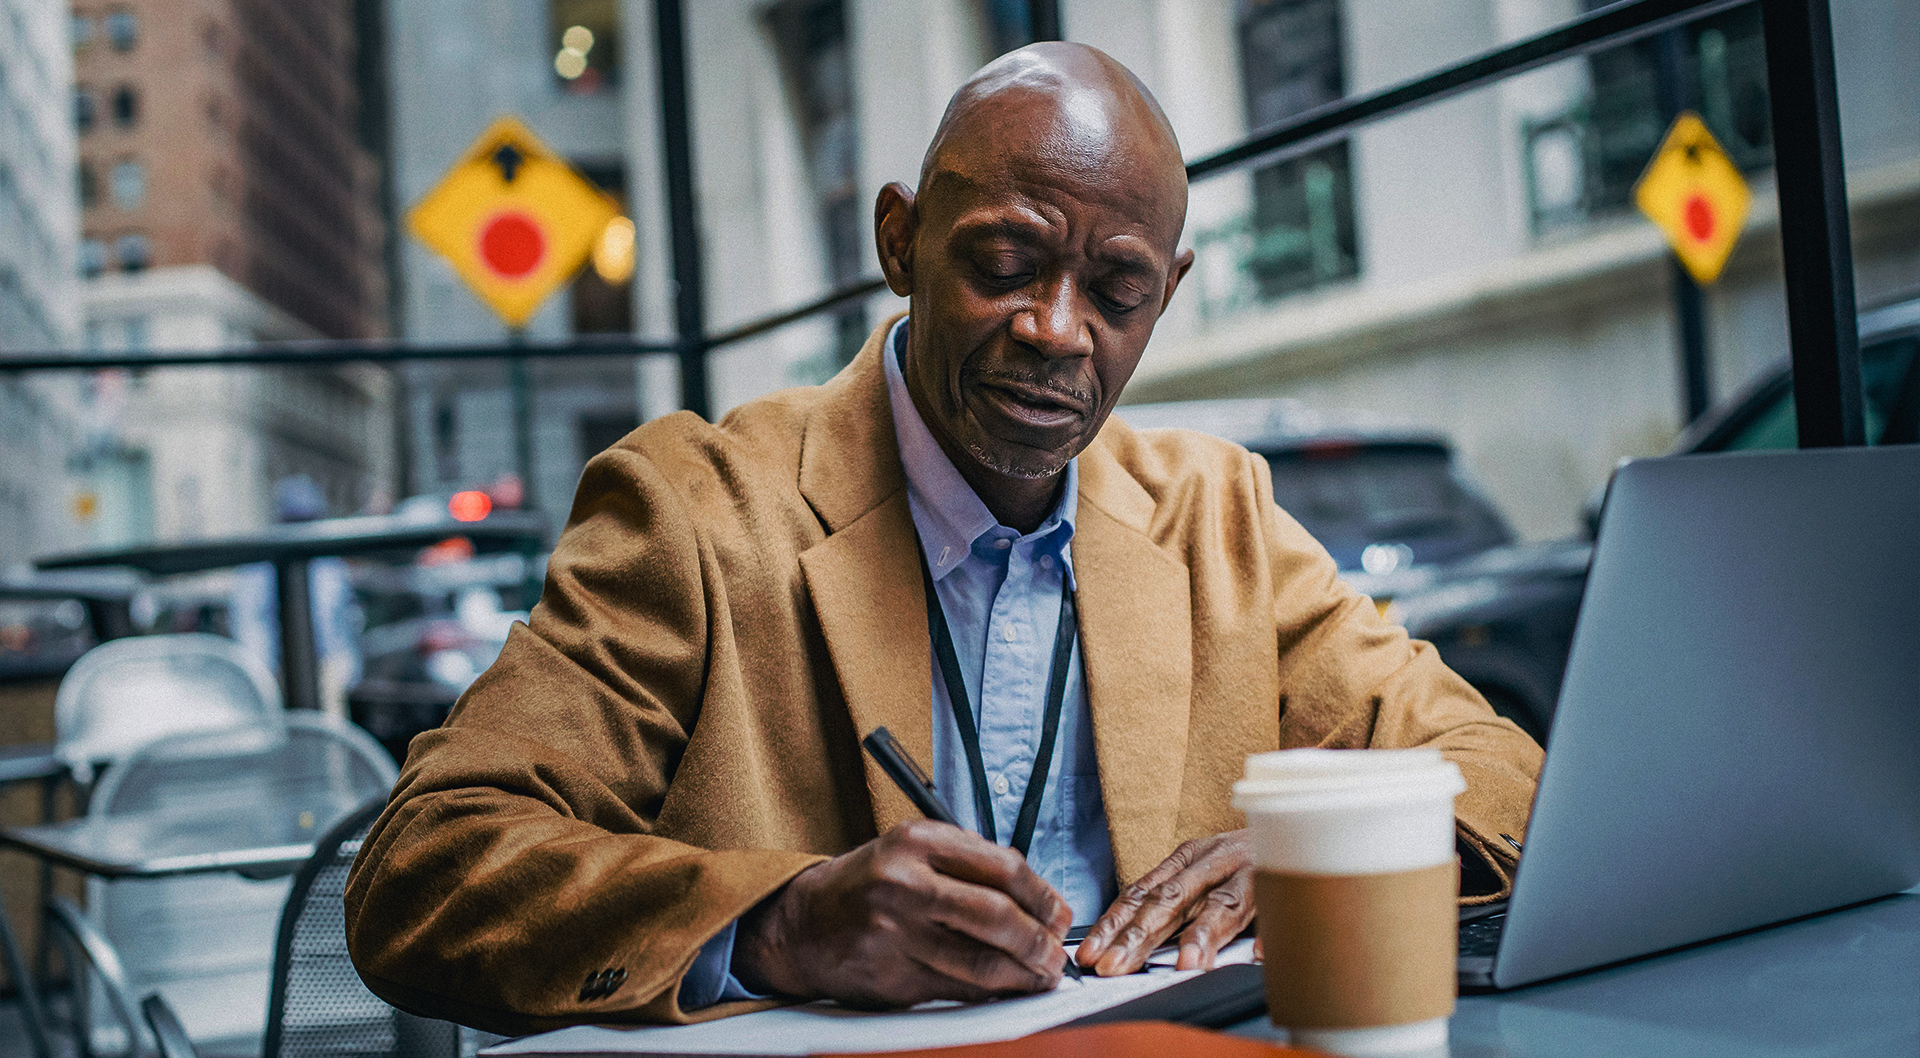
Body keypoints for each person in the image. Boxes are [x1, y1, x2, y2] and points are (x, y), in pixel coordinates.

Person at [344, 43, 1542, 1035]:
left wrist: (1314, 852)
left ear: (1167, 296)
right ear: (901, 241)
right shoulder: (694, 512)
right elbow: (428, 866)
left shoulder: (1218, 512)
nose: (1056, 329)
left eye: (1117, 293)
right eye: (1005, 264)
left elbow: (1503, 769)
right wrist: (781, 921)